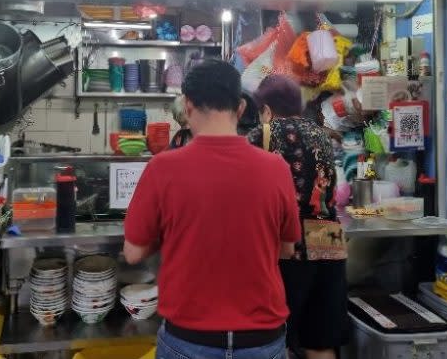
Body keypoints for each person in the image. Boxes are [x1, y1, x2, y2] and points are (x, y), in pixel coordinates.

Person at [124, 60, 300, 359]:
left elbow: (133, 253)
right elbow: (287, 248)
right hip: (261, 340)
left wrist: (173, 233)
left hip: (188, 339)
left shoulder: (162, 168)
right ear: (241, 108)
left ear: (188, 105)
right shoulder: (276, 169)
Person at [248, 75, 350, 359]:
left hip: (287, 247)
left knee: (282, 337)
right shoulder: (321, 134)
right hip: (329, 241)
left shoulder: (262, 134)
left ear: (266, 109)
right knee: (320, 338)